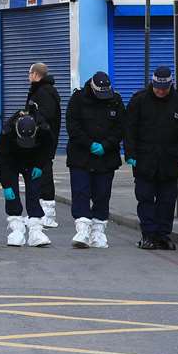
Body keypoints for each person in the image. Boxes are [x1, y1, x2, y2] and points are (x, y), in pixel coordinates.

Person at [124, 65, 178, 250]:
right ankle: (148, 234)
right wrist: (130, 153)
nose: (160, 91)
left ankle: (163, 235)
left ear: (170, 85)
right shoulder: (139, 100)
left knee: (167, 200)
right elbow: (129, 129)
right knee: (145, 198)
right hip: (144, 159)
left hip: (169, 160)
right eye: (157, 88)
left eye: (164, 89)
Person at [65, 71, 125, 248]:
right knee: (81, 191)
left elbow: (121, 127)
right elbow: (72, 126)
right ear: (92, 86)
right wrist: (89, 144)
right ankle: (82, 230)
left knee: (102, 194)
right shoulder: (77, 99)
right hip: (81, 155)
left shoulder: (115, 99)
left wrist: (105, 145)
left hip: (106, 157)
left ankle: (98, 232)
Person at [0, 110, 52, 247]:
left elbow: (48, 149)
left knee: (34, 193)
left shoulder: (44, 130)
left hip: (33, 162)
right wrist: (6, 185)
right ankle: (16, 231)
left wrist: (40, 165)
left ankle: (36, 231)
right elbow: (2, 162)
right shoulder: (7, 133)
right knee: (12, 195)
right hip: (12, 163)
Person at [25, 63, 63, 228]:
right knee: (38, 175)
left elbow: (46, 117)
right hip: (37, 141)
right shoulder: (38, 90)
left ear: (35, 74)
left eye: (29, 73)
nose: (28, 76)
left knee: (45, 174)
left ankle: (48, 213)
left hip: (44, 141)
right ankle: (39, 212)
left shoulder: (44, 92)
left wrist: (37, 128)